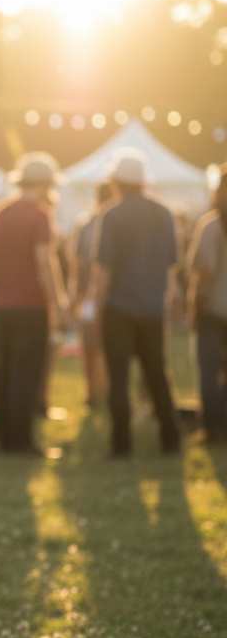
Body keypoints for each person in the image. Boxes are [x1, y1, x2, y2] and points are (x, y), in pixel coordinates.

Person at [93, 148, 180, 458]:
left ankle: (121, 445)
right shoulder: (164, 212)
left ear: (116, 182)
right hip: (153, 308)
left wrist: (95, 307)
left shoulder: (111, 215)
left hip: (118, 308)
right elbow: (172, 265)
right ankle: (171, 439)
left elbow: (105, 268)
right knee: (157, 373)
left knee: (118, 378)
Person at [0, 153, 69, 456]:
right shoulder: (39, 215)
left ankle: (4, 436)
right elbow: (44, 263)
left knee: (5, 368)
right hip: (30, 305)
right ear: (46, 184)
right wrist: (57, 302)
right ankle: (21, 441)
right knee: (27, 373)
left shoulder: (1, 213)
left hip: (2, 304)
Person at [186, 169, 227, 442]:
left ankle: (213, 427)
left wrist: (193, 302)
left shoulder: (212, 225)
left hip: (214, 307)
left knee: (209, 370)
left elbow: (206, 269)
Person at [71, 182, 112, 409]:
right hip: (92, 294)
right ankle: (93, 391)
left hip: (98, 295)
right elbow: (79, 263)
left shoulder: (88, 225)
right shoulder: (86, 225)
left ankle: (99, 390)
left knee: (96, 344)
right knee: (91, 343)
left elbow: (78, 265)